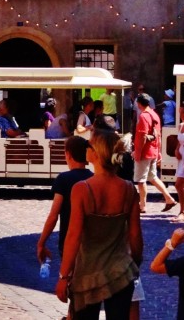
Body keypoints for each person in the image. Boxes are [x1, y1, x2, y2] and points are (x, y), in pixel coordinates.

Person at [56, 129, 142, 320]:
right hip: (120, 270)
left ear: (96, 153)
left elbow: (73, 236)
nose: (86, 147)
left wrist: (63, 276)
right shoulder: (128, 189)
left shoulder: (82, 189)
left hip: (87, 273)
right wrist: (135, 264)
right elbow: (135, 235)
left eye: (89, 144)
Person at [37, 135, 93, 267]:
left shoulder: (63, 179)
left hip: (69, 241)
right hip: (90, 242)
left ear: (68, 154)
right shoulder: (93, 178)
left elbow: (53, 216)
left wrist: (41, 243)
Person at [133, 93, 176, 213]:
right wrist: (159, 152)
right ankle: (169, 198)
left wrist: (137, 152)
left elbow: (142, 136)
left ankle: (142, 206)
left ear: (139, 103)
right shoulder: (154, 114)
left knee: (141, 180)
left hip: (144, 153)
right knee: (153, 177)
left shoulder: (143, 116)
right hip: (153, 151)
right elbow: (158, 135)